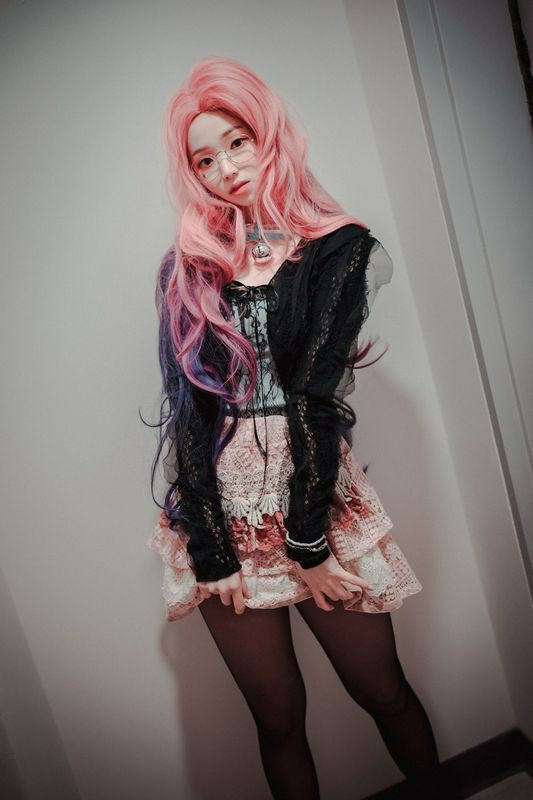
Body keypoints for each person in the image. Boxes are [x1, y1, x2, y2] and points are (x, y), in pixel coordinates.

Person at [145, 56, 459, 800]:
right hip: (223, 509)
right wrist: (211, 549)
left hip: (314, 496)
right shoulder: (189, 267)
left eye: (238, 142)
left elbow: (316, 397)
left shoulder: (339, 249)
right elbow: (190, 410)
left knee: (382, 690)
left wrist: (310, 542)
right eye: (204, 159)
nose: (225, 169)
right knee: (279, 718)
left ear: (270, 136)